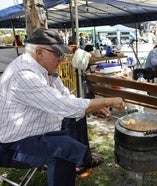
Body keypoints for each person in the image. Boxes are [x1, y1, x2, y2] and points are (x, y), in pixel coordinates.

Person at [0, 28, 125, 186]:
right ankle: (74, 160)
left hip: (30, 131)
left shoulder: (44, 70)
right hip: (10, 144)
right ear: (39, 52)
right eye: (57, 54)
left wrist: (93, 108)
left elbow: (66, 98)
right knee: (64, 149)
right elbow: (63, 105)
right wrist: (107, 101)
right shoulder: (24, 74)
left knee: (77, 116)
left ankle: (82, 162)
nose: (61, 58)